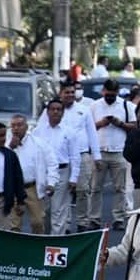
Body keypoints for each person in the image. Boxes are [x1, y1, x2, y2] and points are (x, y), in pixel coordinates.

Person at [54, 80, 101, 232]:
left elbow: (92, 133)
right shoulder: (54, 110)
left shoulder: (84, 110)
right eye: (67, 92)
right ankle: (65, 224)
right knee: (64, 193)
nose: (70, 95)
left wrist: (97, 156)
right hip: (62, 159)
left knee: (83, 191)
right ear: (60, 93)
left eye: (72, 92)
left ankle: (82, 223)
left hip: (82, 155)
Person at [90, 79, 137, 230]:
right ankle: (94, 218)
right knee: (96, 187)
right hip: (100, 151)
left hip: (119, 151)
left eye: (112, 95)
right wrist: (101, 124)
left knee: (120, 188)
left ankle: (118, 218)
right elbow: (88, 127)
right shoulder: (95, 106)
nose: (109, 97)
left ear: (117, 93)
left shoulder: (126, 105)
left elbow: (135, 126)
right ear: (103, 91)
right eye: (107, 94)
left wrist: (120, 124)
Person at [33, 99, 79, 235]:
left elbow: (75, 156)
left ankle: (56, 241)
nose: (55, 112)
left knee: (58, 210)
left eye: (59, 109)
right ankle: (45, 239)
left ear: (63, 113)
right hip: (43, 173)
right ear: (47, 112)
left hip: (62, 172)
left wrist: (74, 178)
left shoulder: (69, 132)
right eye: (52, 109)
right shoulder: (38, 131)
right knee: (44, 210)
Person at [8, 115, 59, 234]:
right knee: (13, 225)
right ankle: (13, 249)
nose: (16, 128)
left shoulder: (38, 143)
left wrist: (51, 183)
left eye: (19, 125)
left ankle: (38, 247)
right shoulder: (6, 142)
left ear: (26, 127)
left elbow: (52, 163)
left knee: (38, 222)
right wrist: (10, 147)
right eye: (13, 126)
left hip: (32, 188)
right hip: (13, 188)